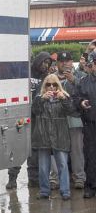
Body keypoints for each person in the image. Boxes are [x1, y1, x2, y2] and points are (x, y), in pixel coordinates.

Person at [7, 52, 52, 189]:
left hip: (36, 117)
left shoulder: (46, 78)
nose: (45, 65)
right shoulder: (26, 72)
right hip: (22, 116)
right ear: (38, 61)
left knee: (34, 149)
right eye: (44, 62)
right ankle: (12, 178)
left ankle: (33, 179)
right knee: (18, 145)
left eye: (48, 63)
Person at [32, 74, 75, 200]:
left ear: (58, 85)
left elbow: (72, 111)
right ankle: (44, 191)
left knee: (62, 164)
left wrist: (64, 99)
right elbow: (34, 111)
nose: (51, 87)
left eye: (54, 84)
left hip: (60, 135)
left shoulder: (64, 96)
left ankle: (65, 191)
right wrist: (41, 99)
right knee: (43, 167)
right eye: (48, 84)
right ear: (44, 86)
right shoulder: (39, 97)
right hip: (43, 135)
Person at [57, 52, 86, 189]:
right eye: (61, 61)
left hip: (75, 119)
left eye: (67, 60)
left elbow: (87, 89)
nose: (64, 63)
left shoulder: (80, 75)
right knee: (58, 150)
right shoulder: (52, 77)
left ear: (71, 62)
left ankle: (79, 177)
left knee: (77, 150)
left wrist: (74, 80)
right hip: (59, 120)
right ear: (58, 63)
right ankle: (57, 178)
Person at [77, 51, 96, 198]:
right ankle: (90, 186)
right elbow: (76, 98)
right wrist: (81, 102)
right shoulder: (83, 81)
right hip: (90, 124)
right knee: (90, 155)